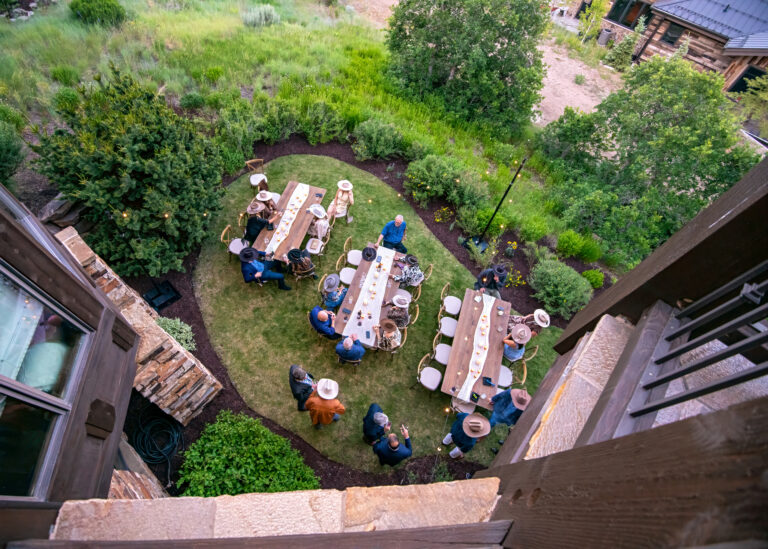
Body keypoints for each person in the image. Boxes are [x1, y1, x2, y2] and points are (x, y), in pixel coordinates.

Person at [489, 389, 531, 454]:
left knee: (509, 435)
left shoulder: (525, 408)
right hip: (499, 411)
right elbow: (500, 395)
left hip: (510, 419)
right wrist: (493, 400)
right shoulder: (509, 392)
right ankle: (485, 431)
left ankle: (503, 445)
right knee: (491, 422)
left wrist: (515, 424)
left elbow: (519, 417)